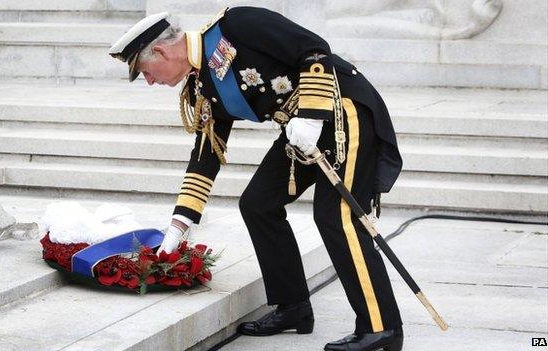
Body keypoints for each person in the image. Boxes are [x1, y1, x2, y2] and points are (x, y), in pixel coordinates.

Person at [108, 6, 404, 351]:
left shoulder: (237, 25)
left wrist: (310, 116)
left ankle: (381, 327)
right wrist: (179, 224)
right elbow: (206, 157)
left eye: (146, 71)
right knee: (258, 204)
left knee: (336, 217)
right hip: (299, 133)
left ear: (160, 51)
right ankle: (293, 307)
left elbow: (314, 50)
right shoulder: (202, 86)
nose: (150, 81)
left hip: (342, 114)